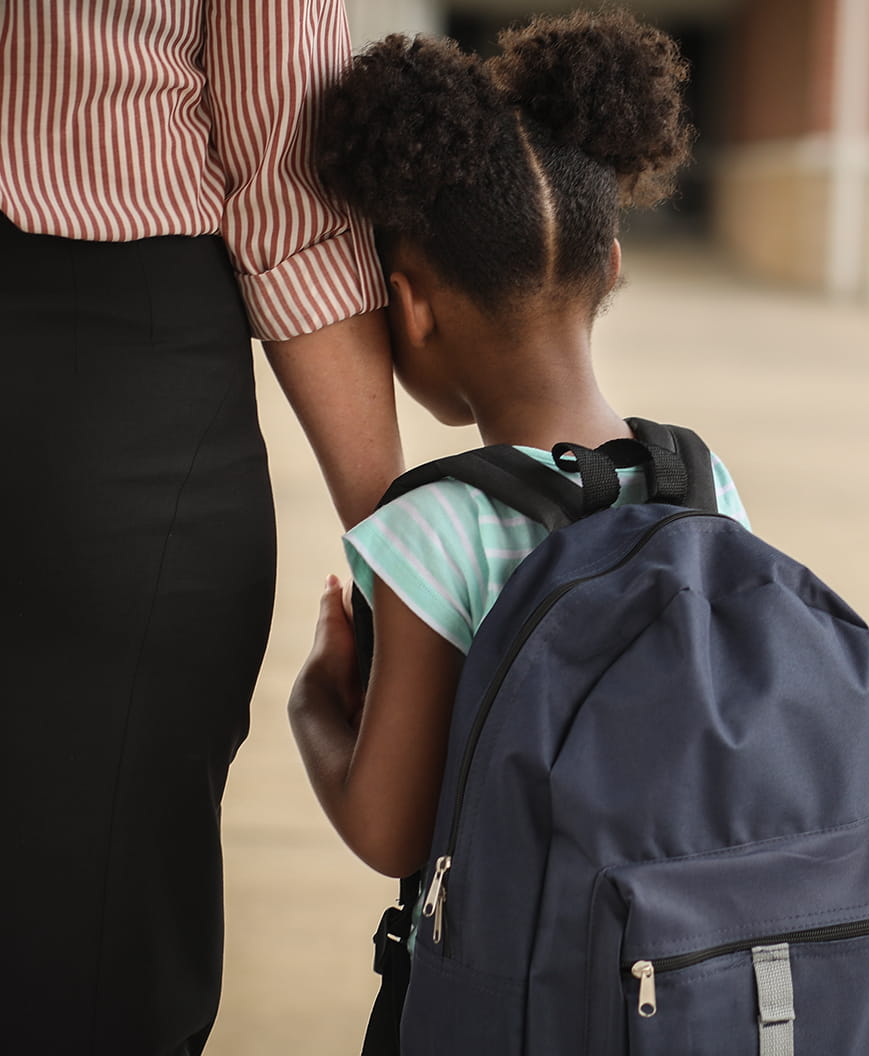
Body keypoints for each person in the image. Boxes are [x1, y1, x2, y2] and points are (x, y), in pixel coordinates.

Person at [0, 3, 401, 1054]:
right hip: (114, 371)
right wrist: (404, 575)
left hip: (109, 401)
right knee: (96, 943)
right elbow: (289, 181)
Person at [288, 10, 750, 890]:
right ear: (610, 264)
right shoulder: (703, 484)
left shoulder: (432, 531)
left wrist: (314, 693)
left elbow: (390, 833)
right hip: (689, 973)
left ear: (411, 306)